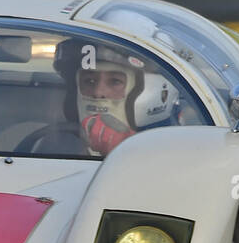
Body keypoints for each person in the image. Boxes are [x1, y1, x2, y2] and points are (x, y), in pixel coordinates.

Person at [51, 37, 190, 156]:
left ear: (157, 93)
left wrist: (127, 155)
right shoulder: (51, 147)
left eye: (115, 81)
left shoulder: (176, 152)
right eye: (89, 81)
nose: (98, 93)